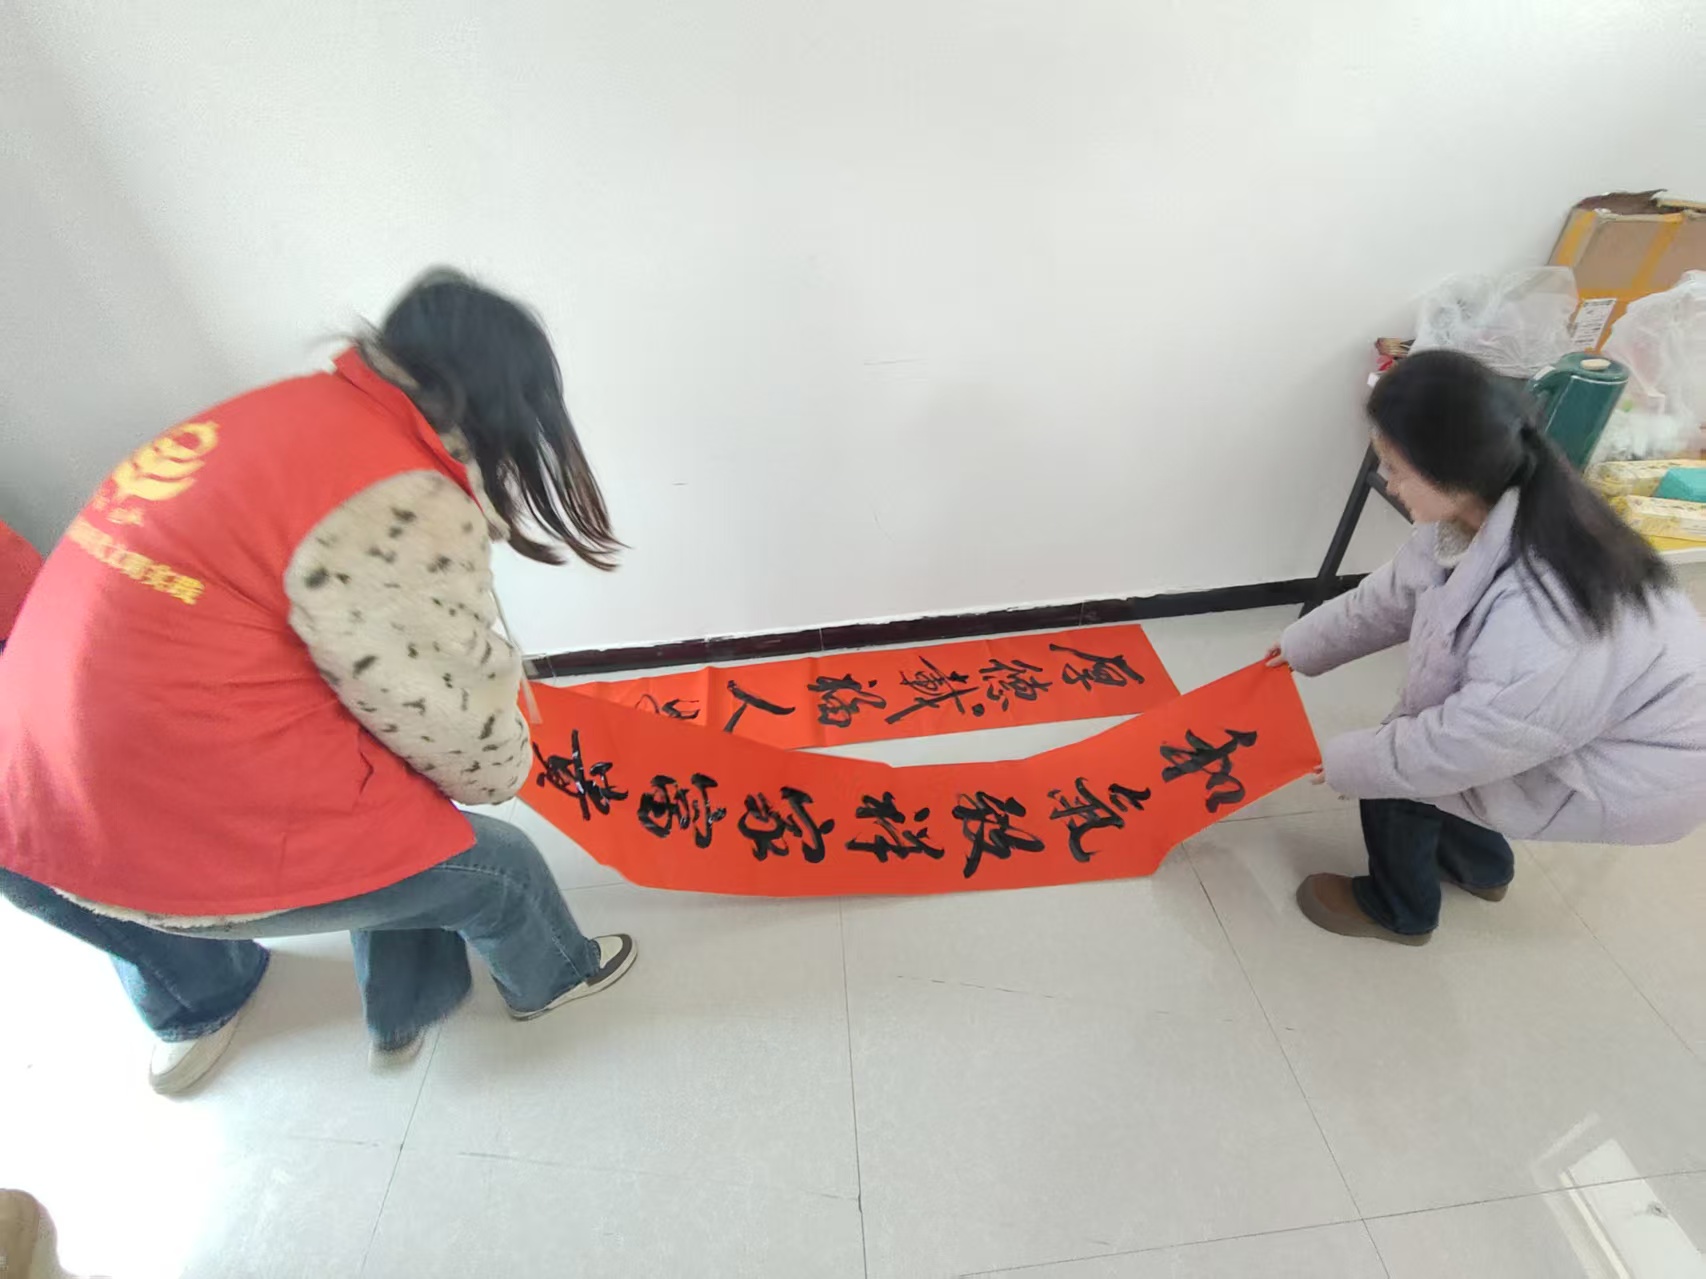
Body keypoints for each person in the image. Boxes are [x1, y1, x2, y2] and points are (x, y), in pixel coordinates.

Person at [0, 269, 636, 1093]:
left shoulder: (290, 411)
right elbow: (454, 727)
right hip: (138, 808)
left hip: (27, 780)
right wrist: (512, 755)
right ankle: (558, 976)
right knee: (501, 868)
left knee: (397, 803)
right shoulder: (395, 492)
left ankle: (406, 1004)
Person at [1272, 349, 1706, 945]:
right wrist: (1299, 646)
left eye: (1396, 468)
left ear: (1449, 469)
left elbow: (1472, 743)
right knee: (1435, 755)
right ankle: (1481, 868)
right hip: (1564, 719)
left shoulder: (1545, 613)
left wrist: (1352, 761)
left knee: (1399, 772)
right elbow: (1392, 595)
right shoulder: (1493, 504)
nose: (1389, 484)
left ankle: (1399, 910)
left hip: (1637, 765)